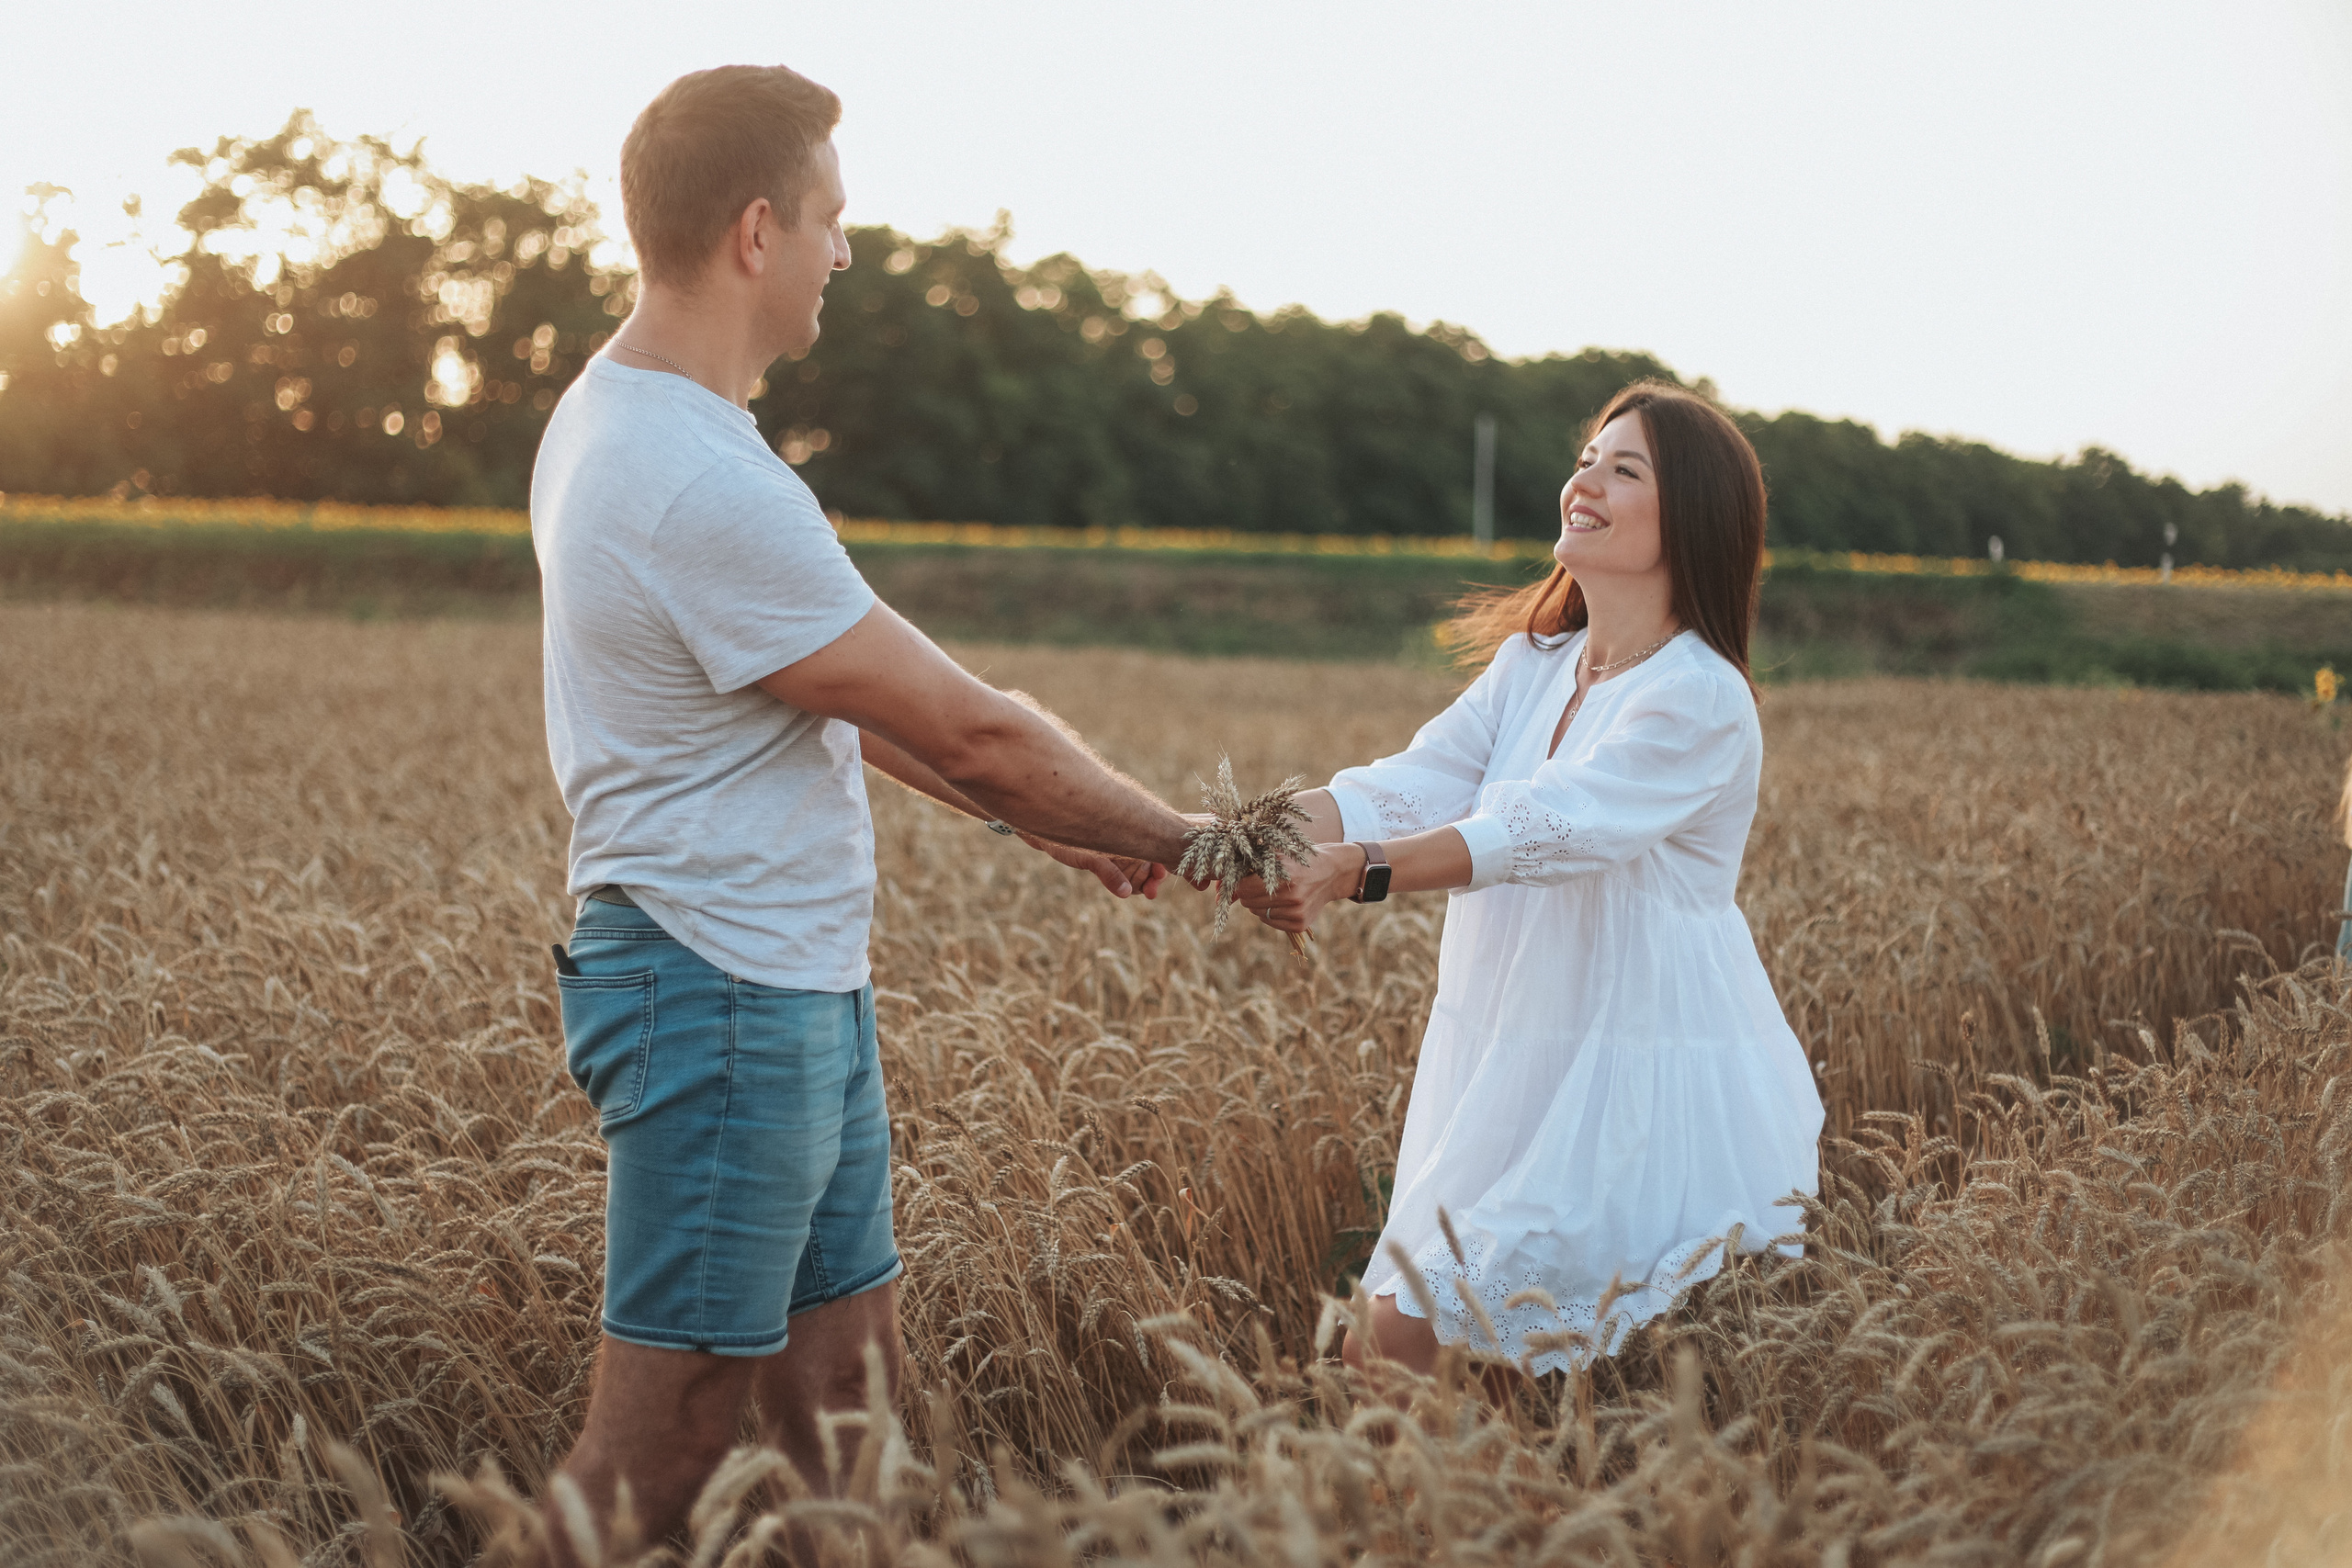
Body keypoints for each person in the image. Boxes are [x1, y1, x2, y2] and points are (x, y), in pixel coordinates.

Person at [529, 64, 1195, 1562]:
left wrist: (1042, 820)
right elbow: (967, 720)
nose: (848, 252)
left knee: (844, 1404)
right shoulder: (692, 475)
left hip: (782, 986)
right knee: (665, 1453)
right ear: (757, 231)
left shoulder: (615, 413)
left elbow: (826, 691)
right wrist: (1200, 842)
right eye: (834, 221)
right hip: (715, 990)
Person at [1233, 381, 1825, 1376]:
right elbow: (1415, 782)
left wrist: (1359, 875)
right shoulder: (1535, 661)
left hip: (1629, 1072)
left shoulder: (1700, 697)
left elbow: (1549, 827)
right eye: (1586, 457)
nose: (1583, 478)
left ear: (1692, 517)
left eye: (1623, 467)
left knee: (1400, 1342)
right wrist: (1218, 836)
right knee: (1391, 1356)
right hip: (1506, 1057)